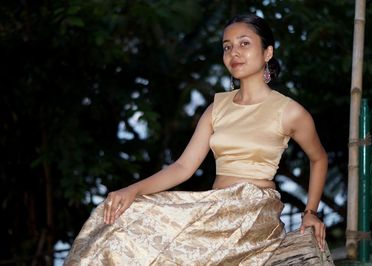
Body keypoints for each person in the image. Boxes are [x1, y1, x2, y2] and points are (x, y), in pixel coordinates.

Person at [64, 13, 328, 265]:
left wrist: (310, 212)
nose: (234, 52)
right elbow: (183, 167)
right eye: (227, 47)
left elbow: (318, 158)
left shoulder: (289, 111)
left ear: (267, 52)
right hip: (217, 206)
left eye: (244, 44)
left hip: (254, 210)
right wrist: (131, 190)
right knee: (117, 217)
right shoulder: (218, 107)